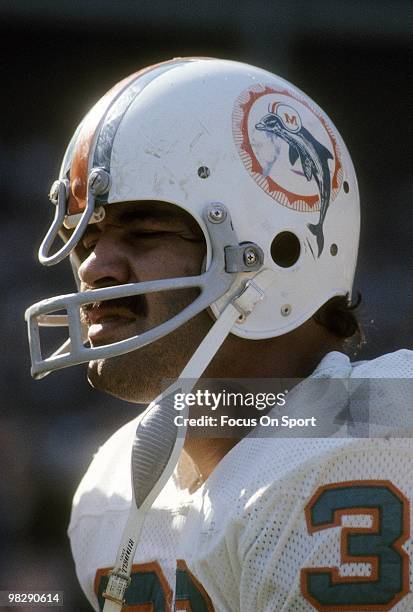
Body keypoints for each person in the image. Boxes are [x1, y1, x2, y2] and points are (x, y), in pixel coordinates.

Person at [26, 58, 413, 611]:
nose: (92, 268)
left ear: (277, 253)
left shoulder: (377, 434)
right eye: (84, 239)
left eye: (143, 230)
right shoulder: (108, 492)